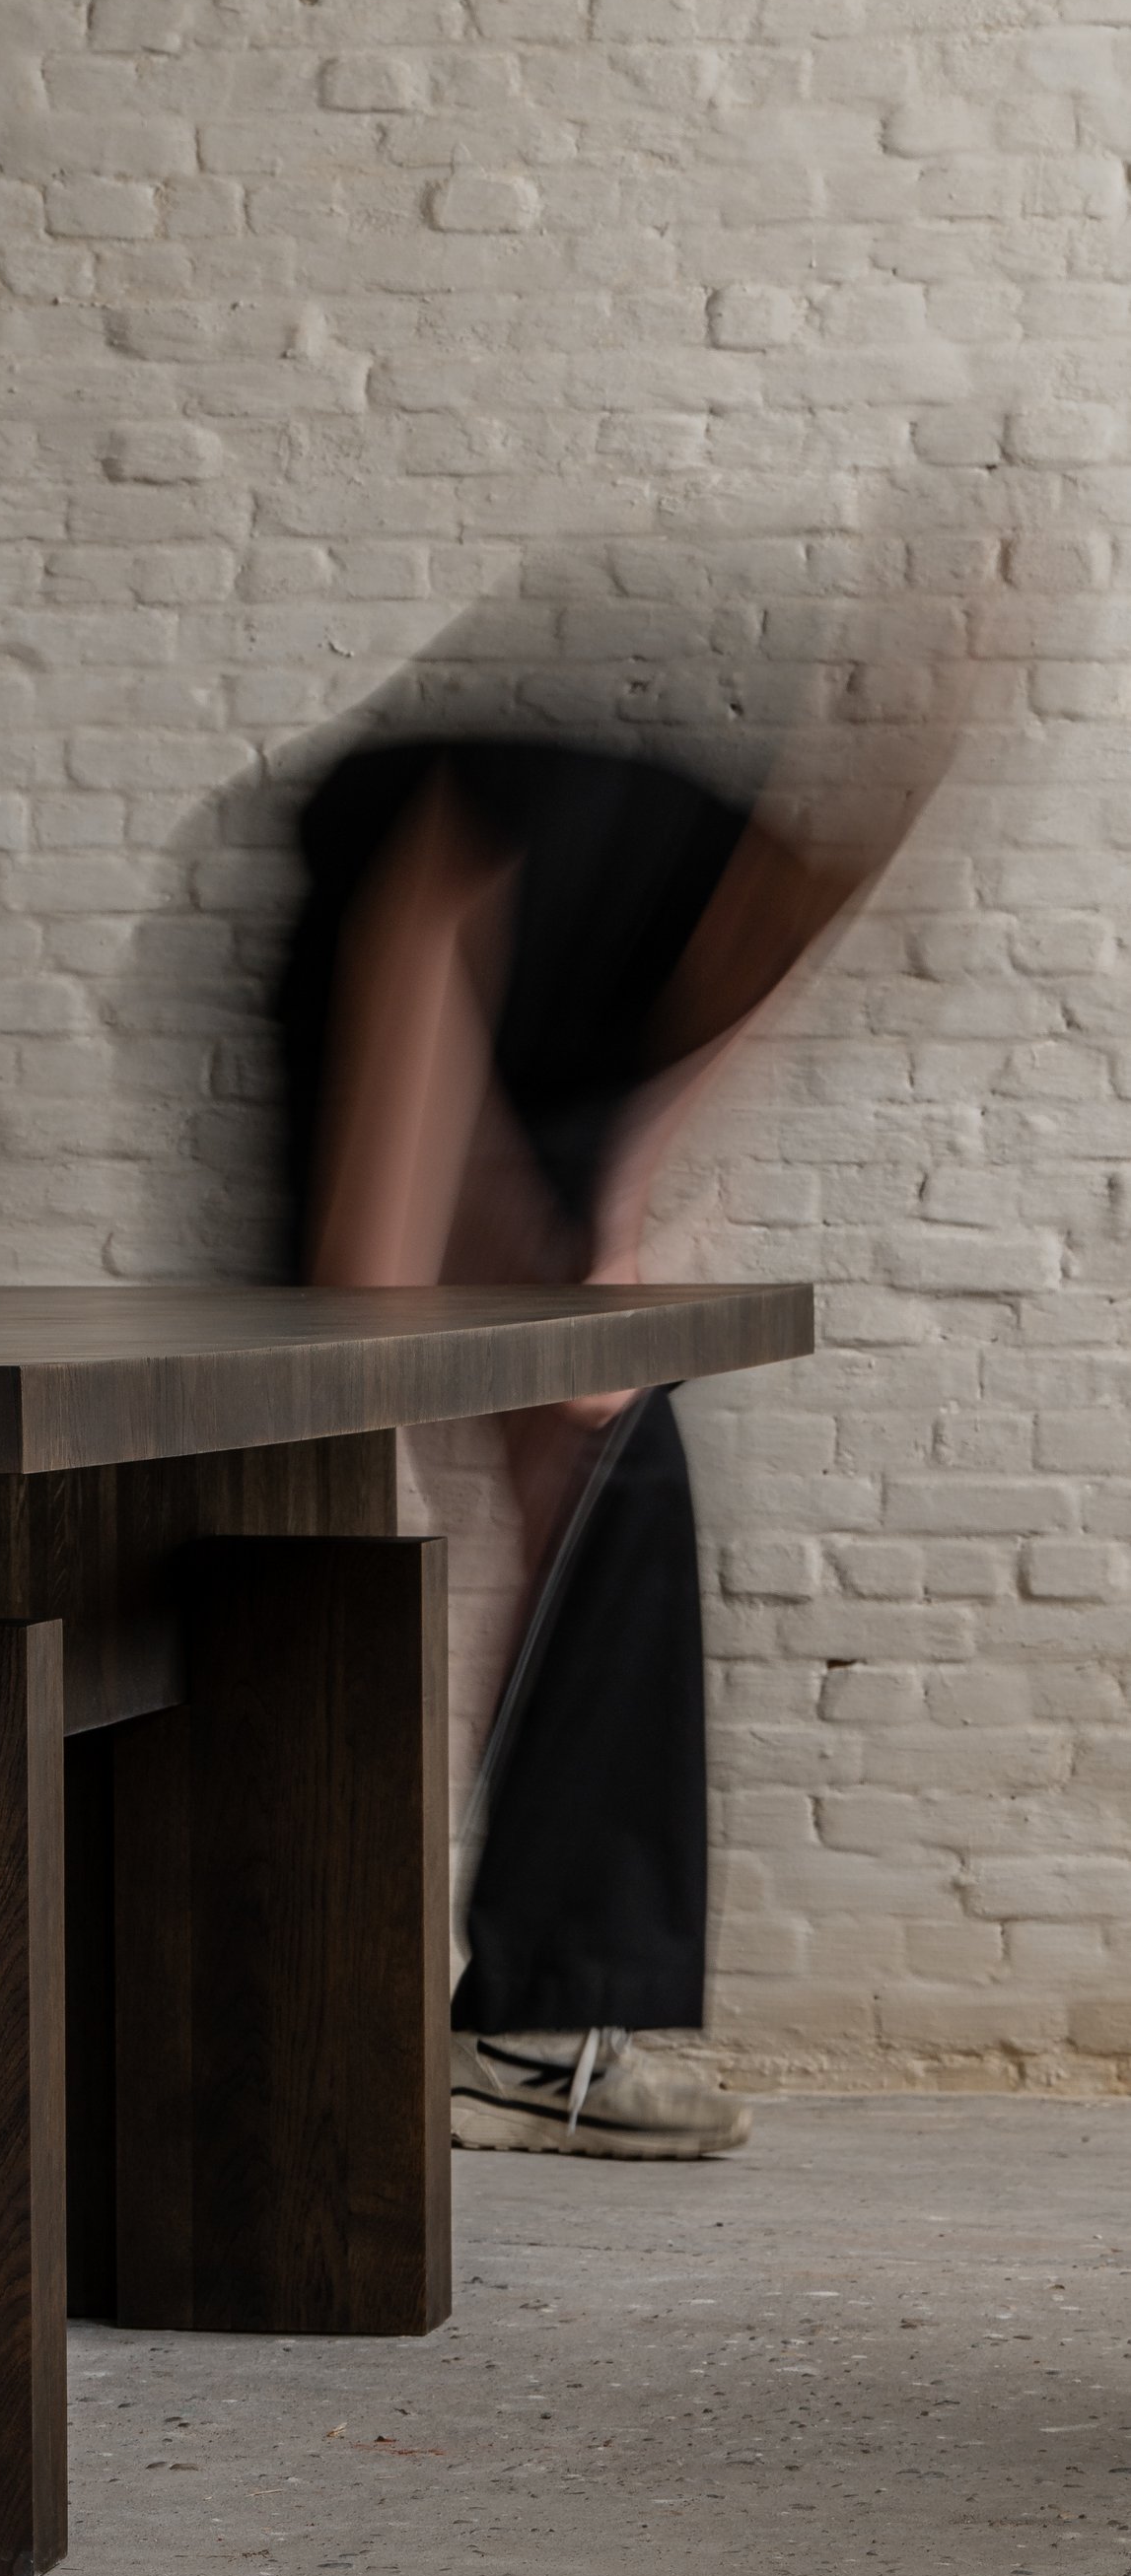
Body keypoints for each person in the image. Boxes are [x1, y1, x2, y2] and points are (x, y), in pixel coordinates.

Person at [281, 731, 871, 2162]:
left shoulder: (759, 912)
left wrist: (610, 1251)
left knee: (621, 1452)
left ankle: (547, 2025)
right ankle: (272, 1993)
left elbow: (657, 1108)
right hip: (406, 959)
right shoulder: (490, 838)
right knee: (303, 1439)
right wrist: (377, 1296)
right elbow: (374, 1225)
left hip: (553, 1020)